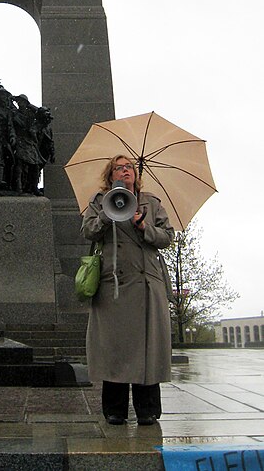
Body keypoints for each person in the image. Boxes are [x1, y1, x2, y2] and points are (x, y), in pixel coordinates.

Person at [81, 155, 174, 426]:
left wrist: (144, 226)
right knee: (115, 347)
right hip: (115, 285)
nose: (125, 171)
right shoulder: (100, 201)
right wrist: (105, 214)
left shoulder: (151, 202)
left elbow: (167, 236)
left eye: (129, 167)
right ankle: (115, 409)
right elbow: (87, 231)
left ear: (136, 174)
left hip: (146, 284)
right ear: (110, 176)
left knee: (147, 346)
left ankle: (147, 409)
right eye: (119, 168)